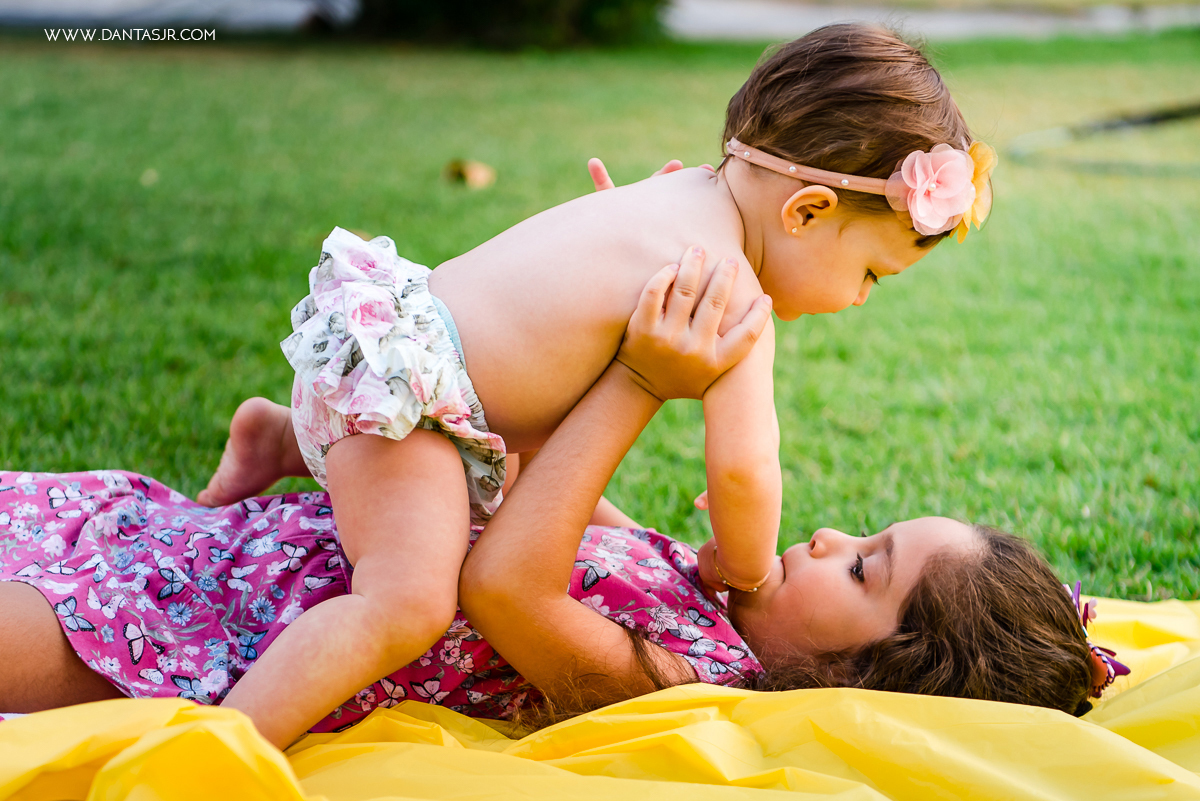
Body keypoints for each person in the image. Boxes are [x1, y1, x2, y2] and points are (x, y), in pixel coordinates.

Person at [191, 23, 998, 747]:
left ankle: (280, 436)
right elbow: (748, 469)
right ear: (807, 211)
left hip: (403, 352)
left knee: (496, 474)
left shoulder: (674, 194)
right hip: (420, 407)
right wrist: (746, 565)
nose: (858, 296)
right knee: (404, 604)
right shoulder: (731, 293)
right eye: (868, 272)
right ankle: (226, 742)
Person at [0, 258, 1122, 738]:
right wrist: (599, 322)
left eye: (865, 566)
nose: (829, 534)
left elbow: (503, 581)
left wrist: (641, 382)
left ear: (874, 674)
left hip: (201, 633)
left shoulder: (670, 680)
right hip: (216, 548)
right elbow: (556, 498)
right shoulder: (706, 590)